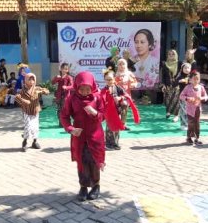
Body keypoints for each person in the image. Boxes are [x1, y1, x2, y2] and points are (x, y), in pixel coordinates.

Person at [60, 72, 106, 202]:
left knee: (94, 161)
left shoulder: (97, 97)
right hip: (79, 136)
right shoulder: (72, 98)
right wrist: (71, 129)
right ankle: (83, 187)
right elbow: (64, 116)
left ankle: (96, 186)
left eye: (88, 88)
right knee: (82, 162)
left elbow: (103, 115)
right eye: (82, 88)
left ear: (92, 86)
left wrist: (95, 113)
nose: (85, 92)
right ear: (76, 87)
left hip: (95, 135)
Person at [101, 68, 140, 151]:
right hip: (109, 112)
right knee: (109, 128)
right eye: (107, 79)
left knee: (116, 128)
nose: (109, 81)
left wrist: (120, 98)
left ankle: (115, 144)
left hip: (117, 111)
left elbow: (126, 96)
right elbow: (101, 100)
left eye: (110, 79)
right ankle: (108, 144)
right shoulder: (104, 90)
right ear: (104, 80)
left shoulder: (118, 88)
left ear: (114, 78)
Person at [15, 72, 49, 151]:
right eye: (29, 80)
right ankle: (25, 142)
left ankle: (35, 141)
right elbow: (17, 97)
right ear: (26, 80)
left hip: (35, 110)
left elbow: (46, 91)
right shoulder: (22, 90)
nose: (31, 81)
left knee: (35, 127)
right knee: (28, 127)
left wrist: (43, 91)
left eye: (33, 80)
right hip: (26, 111)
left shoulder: (37, 88)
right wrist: (24, 101)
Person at [179, 70, 208, 145]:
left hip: (198, 108)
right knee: (191, 123)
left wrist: (201, 98)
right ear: (190, 79)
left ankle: (197, 138)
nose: (196, 80)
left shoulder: (201, 87)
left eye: (197, 79)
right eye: (194, 79)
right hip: (190, 109)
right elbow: (181, 96)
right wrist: (188, 98)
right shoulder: (187, 87)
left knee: (197, 123)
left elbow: (206, 96)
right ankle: (189, 137)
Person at [115, 58, 138, 128]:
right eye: (120, 64)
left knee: (124, 106)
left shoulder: (129, 74)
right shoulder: (115, 74)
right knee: (117, 109)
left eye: (123, 64)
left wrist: (133, 85)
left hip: (126, 95)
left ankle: (123, 124)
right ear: (117, 66)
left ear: (126, 65)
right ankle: (117, 122)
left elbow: (134, 82)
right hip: (116, 95)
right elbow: (112, 84)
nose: (121, 66)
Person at [162, 50, 182, 118]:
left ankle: (176, 115)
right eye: (169, 54)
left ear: (176, 55)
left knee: (176, 100)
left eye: (173, 54)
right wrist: (163, 84)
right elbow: (163, 75)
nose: (171, 56)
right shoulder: (165, 64)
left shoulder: (179, 63)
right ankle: (168, 112)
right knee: (167, 99)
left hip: (177, 84)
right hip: (168, 84)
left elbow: (183, 72)